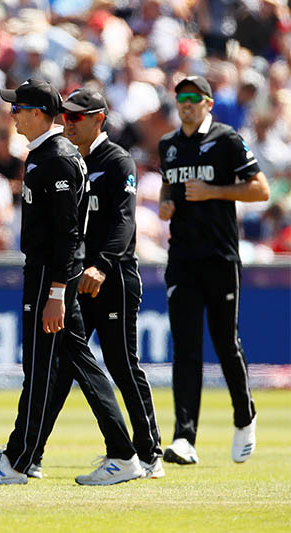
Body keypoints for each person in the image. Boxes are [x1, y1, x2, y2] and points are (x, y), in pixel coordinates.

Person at [0, 79, 144, 486]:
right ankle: (121, 453)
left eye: (19, 108)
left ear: (41, 112)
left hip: (50, 275)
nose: (12, 114)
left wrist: (57, 292)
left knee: (42, 368)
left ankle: (19, 461)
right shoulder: (46, 154)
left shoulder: (57, 158)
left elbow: (67, 234)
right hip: (47, 273)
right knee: (74, 363)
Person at [30, 88, 164, 478]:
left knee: (122, 364)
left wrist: (103, 265)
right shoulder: (72, 161)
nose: (67, 123)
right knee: (60, 367)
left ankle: (149, 452)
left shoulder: (117, 160)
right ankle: (31, 453)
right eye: (65, 117)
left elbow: (124, 222)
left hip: (113, 277)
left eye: (76, 117)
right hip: (78, 279)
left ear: (98, 119)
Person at [158, 76, 268, 465]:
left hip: (220, 257)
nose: (186, 104)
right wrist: (165, 206)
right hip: (182, 259)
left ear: (208, 103)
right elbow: (167, 188)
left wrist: (215, 192)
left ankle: (244, 416)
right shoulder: (168, 145)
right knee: (185, 349)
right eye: (181, 98)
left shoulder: (227, 140)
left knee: (225, 343)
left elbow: (260, 189)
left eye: (193, 98)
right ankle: (184, 437)